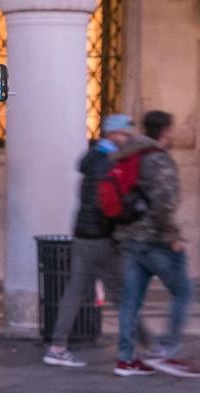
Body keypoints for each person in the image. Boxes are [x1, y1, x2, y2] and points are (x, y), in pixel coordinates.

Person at [43, 114, 154, 368]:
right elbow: (110, 204)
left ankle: (57, 346)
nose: (127, 139)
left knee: (76, 291)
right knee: (124, 294)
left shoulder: (94, 159)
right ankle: (151, 346)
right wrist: (132, 213)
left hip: (84, 234)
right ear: (112, 134)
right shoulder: (107, 164)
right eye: (124, 134)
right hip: (100, 238)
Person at [114, 110, 200, 378]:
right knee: (184, 291)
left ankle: (125, 358)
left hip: (130, 238)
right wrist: (173, 237)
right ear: (165, 130)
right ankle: (168, 351)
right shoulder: (158, 159)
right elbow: (163, 204)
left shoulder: (128, 154)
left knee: (131, 300)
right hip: (154, 240)